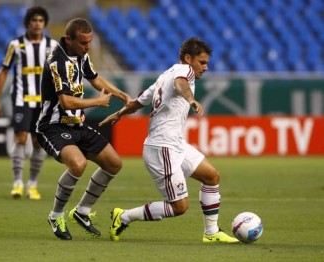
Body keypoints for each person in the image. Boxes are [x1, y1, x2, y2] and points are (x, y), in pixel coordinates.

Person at [99, 37, 239, 243]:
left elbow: (139, 101)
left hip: (175, 143)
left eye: (207, 63)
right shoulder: (184, 72)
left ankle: (211, 233)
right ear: (188, 58)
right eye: (202, 62)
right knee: (179, 207)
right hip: (162, 147)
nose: (206, 67)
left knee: (211, 176)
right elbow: (181, 84)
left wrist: (119, 113)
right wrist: (191, 100)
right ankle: (124, 216)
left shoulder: (163, 76)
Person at [36, 18, 132, 240]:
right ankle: (56, 215)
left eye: (89, 42)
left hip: (77, 124)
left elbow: (96, 79)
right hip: (53, 126)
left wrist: (120, 94)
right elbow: (66, 103)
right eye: (83, 43)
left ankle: (82, 211)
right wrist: (97, 103)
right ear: (69, 39)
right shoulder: (57, 62)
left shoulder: (81, 55)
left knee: (114, 163)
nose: (87, 47)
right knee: (78, 164)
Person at [0, 6, 58, 200]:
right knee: (21, 138)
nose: (37, 24)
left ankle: (33, 184)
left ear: (44, 24)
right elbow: (3, 71)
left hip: (43, 102)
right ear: (28, 23)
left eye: (40, 21)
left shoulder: (52, 45)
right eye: (34, 20)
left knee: (38, 143)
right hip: (21, 98)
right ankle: (17, 183)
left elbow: (58, 72)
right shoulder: (15, 45)